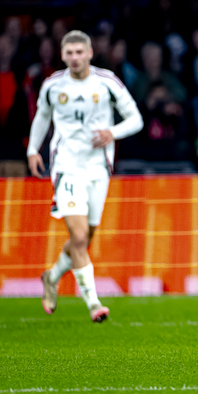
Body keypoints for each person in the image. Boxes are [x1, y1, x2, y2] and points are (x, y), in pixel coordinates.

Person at [27, 30, 143, 322]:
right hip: (66, 165)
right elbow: (42, 116)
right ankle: (93, 304)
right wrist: (32, 149)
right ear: (62, 55)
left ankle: (51, 277)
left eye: (80, 52)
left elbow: (135, 119)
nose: (75, 58)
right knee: (78, 236)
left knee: (85, 238)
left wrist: (111, 132)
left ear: (90, 53)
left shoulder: (106, 82)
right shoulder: (53, 85)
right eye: (70, 53)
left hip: (98, 168)